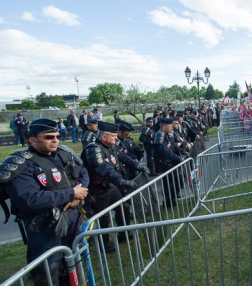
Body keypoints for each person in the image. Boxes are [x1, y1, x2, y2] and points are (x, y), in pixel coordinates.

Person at [0, 119, 89, 284]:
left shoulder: (64, 153)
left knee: (73, 259)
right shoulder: (22, 164)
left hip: (73, 217)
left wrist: (77, 195)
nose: (55, 140)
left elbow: (83, 173)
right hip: (45, 225)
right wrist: (71, 193)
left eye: (57, 136)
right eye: (49, 137)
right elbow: (30, 198)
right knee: (49, 268)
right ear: (32, 140)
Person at [82, 121, 144, 252]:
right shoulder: (93, 149)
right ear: (104, 137)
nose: (116, 138)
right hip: (98, 190)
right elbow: (104, 169)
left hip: (112, 187)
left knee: (124, 208)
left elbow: (124, 157)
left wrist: (137, 165)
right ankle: (104, 243)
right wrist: (122, 181)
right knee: (103, 217)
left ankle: (124, 232)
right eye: (113, 136)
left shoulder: (112, 146)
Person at [154, 118, 184, 207]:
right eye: (169, 126)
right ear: (163, 127)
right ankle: (168, 202)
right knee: (169, 184)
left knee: (176, 181)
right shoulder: (159, 135)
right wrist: (178, 158)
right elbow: (165, 151)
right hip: (165, 163)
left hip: (171, 162)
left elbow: (173, 146)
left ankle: (173, 198)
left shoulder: (166, 135)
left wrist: (182, 152)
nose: (171, 128)